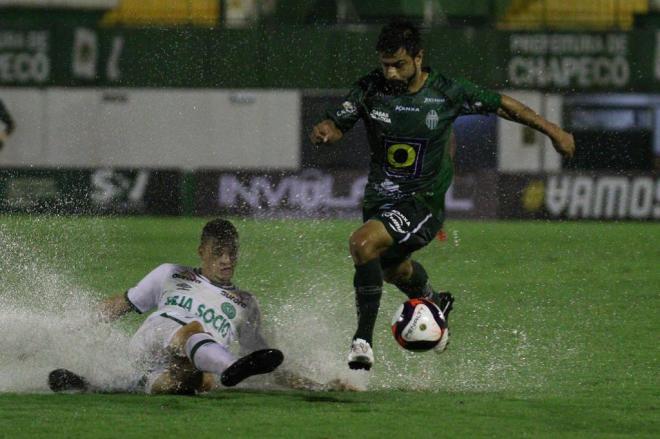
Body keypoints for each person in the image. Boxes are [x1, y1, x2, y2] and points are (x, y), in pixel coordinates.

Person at [309, 20, 575, 371]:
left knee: (362, 245)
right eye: (385, 64)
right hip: (380, 199)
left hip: (422, 202)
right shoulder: (370, 89)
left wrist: (553, 131)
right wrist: (325, 131)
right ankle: (434, 301)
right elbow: (337, 123)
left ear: (419, 58)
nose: (389, 72)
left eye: (398, 64)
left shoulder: (447, 92)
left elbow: (504, 106)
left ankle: (362, 342)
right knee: (392, 269)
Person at [49, 218, 341, 394]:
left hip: (192, 360)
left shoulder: (247, 302)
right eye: (218, 253)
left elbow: (262, 363)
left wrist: (317, 385)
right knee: (193, 331)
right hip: (157, 336)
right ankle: (226, 366)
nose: (227, 260)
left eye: (232, 253)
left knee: (191, 381)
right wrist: (74, 325)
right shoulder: (171, 273)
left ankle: (105, 386)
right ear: (201, 251)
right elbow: (123, 303)